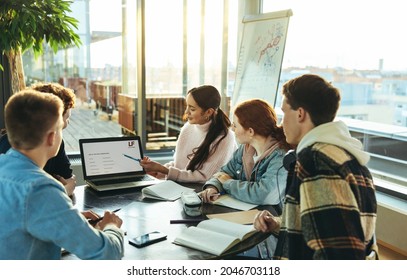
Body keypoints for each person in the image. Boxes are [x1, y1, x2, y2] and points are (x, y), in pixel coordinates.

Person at [254, 74, 377, 260]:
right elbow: (331, 227)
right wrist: (281, 224)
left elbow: (339, 255)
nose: (281, 123)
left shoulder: (316, 163)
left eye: (284, 112)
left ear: (300, 114)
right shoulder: (343, 154)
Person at [0, 89, 124, 260]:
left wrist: (65, 217)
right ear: (52, 137)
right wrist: (112, 226)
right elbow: (107, 254)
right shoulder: (41, 189)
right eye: (61, 127)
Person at [200, 98, 291, 209]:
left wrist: (228, 183)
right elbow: (223, 173)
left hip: (270, 219)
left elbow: (264, 194)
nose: (232, 129)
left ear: (250, 131)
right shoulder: (245, 149)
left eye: (235, 125)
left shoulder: (280, 157)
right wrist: (213, 187)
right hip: (246, 213)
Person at [140, 85, 237, 183]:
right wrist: (159, 172)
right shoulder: (188, 128)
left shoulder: (225, 138)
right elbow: (180, 165)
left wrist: (163, 170)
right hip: (181, 188)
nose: (186, 112)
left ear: (208, 112)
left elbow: (205, 178)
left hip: (202, 192)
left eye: (192, 109)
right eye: (187, 106)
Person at [0, 82, 77, 196]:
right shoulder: (10, 146)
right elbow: (22, 195)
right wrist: (63, 191)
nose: (67, 122)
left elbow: (68, 178)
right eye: (66, 117)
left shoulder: (56, 143)